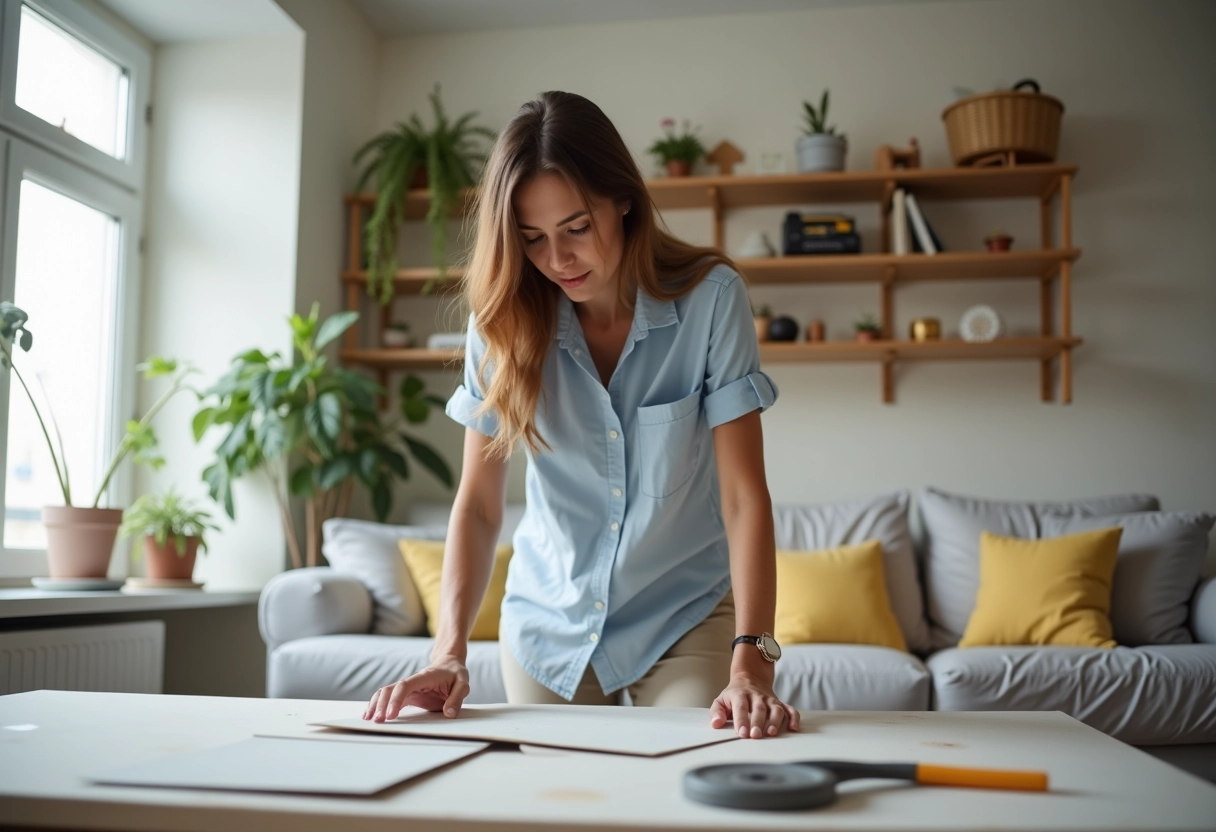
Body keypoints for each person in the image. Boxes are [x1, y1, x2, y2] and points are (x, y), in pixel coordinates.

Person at [363, 91, 799, 739]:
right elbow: (478, 506)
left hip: (682, 614)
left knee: (694, 758)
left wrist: (753, 663)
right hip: (550, 621)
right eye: (532, 239)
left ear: (622, 199)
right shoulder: (501, 322)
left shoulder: (712, 299)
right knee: (557, 786)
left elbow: (743, 498)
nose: (557, 260)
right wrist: (447, 651)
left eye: (575, 228)